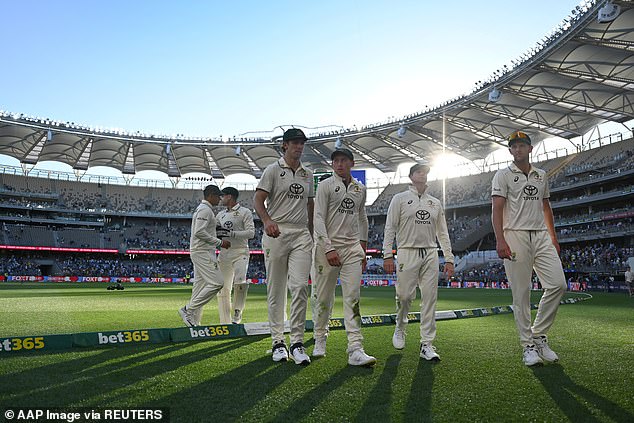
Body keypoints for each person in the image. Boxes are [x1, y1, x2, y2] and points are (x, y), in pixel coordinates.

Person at [491, 130, 567, 367]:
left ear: (530, 149)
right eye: (514, 146)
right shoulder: (502, 175)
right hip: (515, 235)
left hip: (541, 235)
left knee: (558, 285)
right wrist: (500, 240)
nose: (518, 149)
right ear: (510, 151)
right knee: (521, 293)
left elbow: (546, 207)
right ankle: (528, 347)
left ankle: (539, 334)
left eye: (522, 145)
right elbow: (496, 209)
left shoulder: (541, 174)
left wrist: (553, 237)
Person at [382, 162, 454, 361]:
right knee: (405, 296)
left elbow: (443, 232)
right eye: (419, 172)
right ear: (411, 176)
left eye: (425, 172)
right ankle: (400, 326)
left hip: (431, 252)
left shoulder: (435, 203)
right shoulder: (400, 199)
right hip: (407, 251)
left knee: (430, 298)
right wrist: (387, 254)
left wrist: (449, 258)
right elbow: (390, 228)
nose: (423, 175)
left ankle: (427, 344)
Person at [254, 128, 314, 365]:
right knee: (276, 290)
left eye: (302, 143)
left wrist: (311, 232)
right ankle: (278, 342)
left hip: (301, 234)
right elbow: (258, 200)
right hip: (277, 232)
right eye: (295, 143)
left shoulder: (307, 174)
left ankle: (297, 342)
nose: (299, 147)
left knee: (299, 287)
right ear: (285, 146)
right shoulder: (272, 170)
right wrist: (267, 220)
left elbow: (310, 204)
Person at [311, 148, 376, 366]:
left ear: (351, 163)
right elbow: (317, 218)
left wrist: (363, 248)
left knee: (353, 298)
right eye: (335, 161)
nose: (339, 164)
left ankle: (355, 348)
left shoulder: (360, 188)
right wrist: (328, 248)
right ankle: (320, 338)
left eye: (343, 161)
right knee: (323, 299)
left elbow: (362, 218)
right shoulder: (325, 185)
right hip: (326, 249)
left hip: (352, 249)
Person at [178, 185, 231, 327]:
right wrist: (219, 242)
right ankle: (187, 309)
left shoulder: (204, 210)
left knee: (199, 287)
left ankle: (193, 320)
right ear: (210, 195)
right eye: (218, 196)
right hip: (203, 252)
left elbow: (202, 231)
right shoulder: (205, 210)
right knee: (217, 283)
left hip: (202, 251)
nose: (220, 199)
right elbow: (199, 232)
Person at [216, 186, 255, 324]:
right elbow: (216, 233)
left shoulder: (245, 212)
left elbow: (251, 233)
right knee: (223, 287)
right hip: (224, 254)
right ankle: (224, 320)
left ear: (230, 196)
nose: (220, 198)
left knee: (240, 281)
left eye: (223, 196)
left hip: (240, 251)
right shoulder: (220, 215)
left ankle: (237, 313)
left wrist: (231, 234)